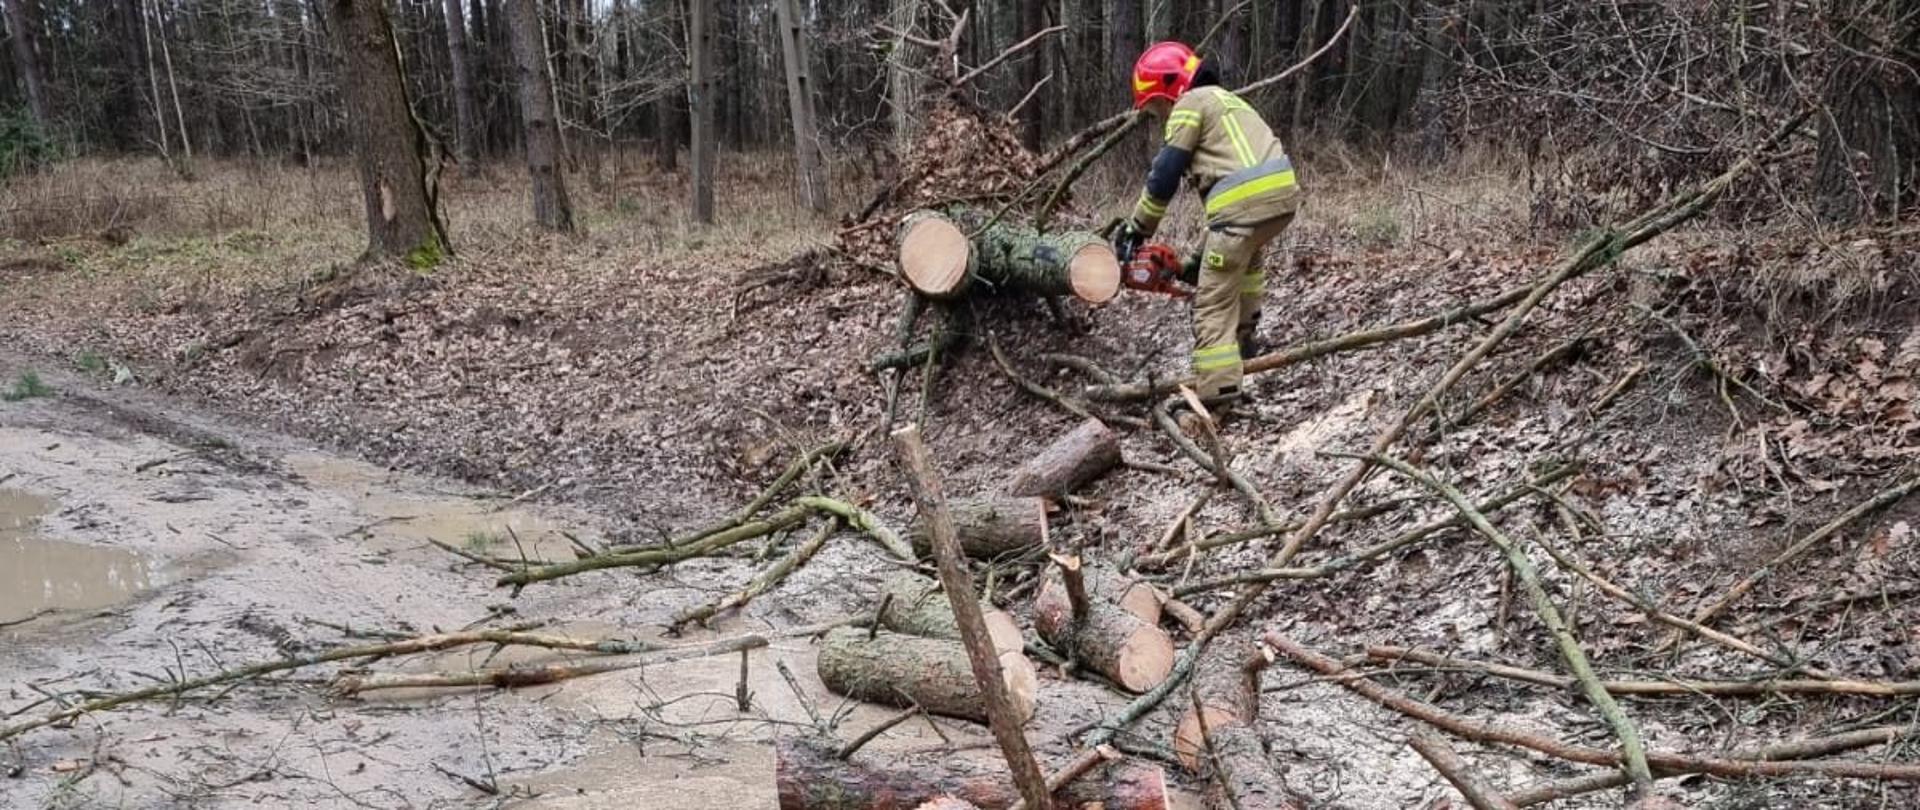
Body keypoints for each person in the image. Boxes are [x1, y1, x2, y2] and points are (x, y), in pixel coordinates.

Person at [1115, 41, 1302, 418]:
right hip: (1280, 201)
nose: (1161, 116)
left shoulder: (1189, 104)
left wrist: (1137, 229)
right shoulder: (1228, 101)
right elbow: (1232, 203)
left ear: (1169, 90)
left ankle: (1219, 396)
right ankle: (1245, 342)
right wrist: (1191, 266)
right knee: (1243, 262)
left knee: (1212, 303)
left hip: (1241, 209)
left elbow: (1165, 173)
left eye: (1157, 108)